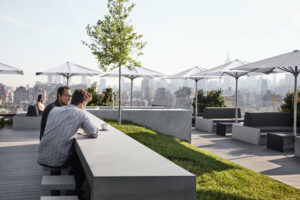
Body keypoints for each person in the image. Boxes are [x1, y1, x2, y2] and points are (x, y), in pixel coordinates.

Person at [37, 89, 98, 168]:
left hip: (41, 157)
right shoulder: (81, 113)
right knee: (81, 161)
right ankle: (77, 180)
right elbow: (94, 133)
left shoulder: (54, 110)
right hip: (57, 162)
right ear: (83, 103)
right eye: (85, 104)